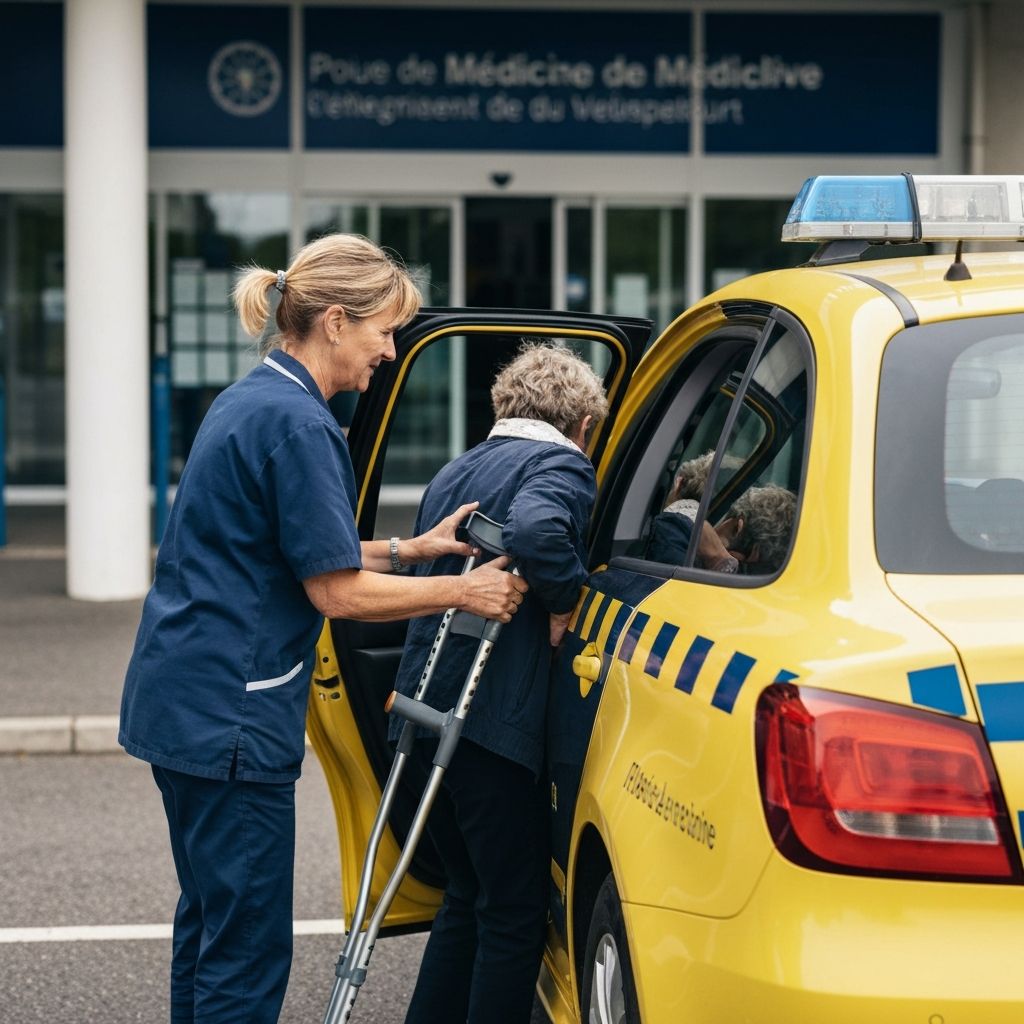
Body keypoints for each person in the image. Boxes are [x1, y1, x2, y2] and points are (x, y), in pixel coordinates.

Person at [118, 233, 528, 1024]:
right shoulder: (303, 426)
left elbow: (293, 544)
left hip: (181, 703)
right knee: (245, 949)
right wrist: (465, 592)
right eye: (384, 331)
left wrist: (412, 548)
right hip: (230, 721)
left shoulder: (253, 400)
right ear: (336, 322)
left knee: (209, 925)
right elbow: (337, 592)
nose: (391, 349)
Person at [389, 342, 609, 1024]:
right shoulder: (561, 465)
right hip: (489, 725)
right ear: (582, 424)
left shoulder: (458, 468)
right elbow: (542, 529)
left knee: (468, 894)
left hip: (424, 711)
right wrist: (567, 601)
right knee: (514, 910)